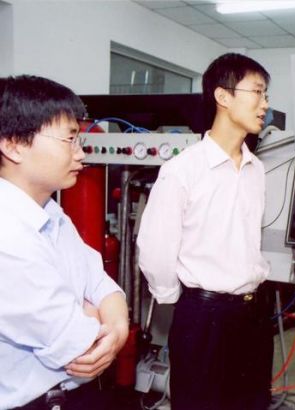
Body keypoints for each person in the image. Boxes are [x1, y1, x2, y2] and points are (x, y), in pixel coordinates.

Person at [137, 53, 273, 410]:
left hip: (254, 315)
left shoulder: (256, 169)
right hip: (203, 318)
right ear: (223, 96)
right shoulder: (182, 170)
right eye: (257, 92)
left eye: (266, 95)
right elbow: (155, 249)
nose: (265, 104)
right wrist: (178, 300)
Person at [0, 75, 129, 409]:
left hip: (71, 397)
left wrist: (113, 323)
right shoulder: (7, 236)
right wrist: (101, 319)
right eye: (69, 139)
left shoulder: (51, 212)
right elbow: (83, 347)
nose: (80, 153)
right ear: (13, 145)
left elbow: (101, 283)